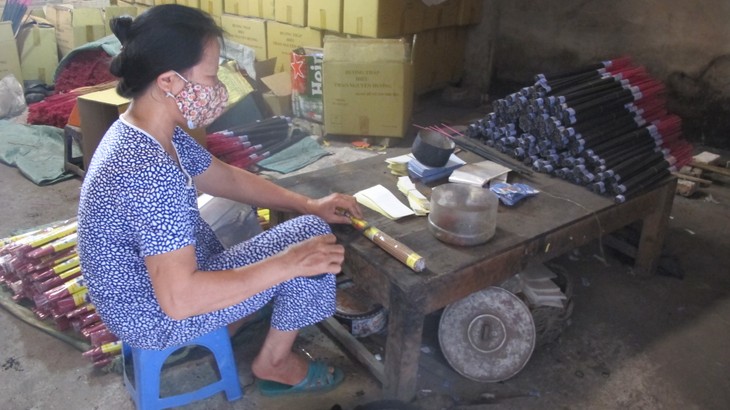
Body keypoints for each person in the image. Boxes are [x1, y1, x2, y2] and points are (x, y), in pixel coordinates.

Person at [76, 4, 362, 397]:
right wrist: (289, 263)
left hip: (140, 293)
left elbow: (221, 176)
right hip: (154, 315)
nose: (217, 89)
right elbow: (179, 300)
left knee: (308, 229)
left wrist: (308, 204)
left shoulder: (146, 127)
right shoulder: (150, 170)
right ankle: (274, 364)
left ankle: (232, 321)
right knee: (311, 250)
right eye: (211, 77)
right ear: (168, 82)